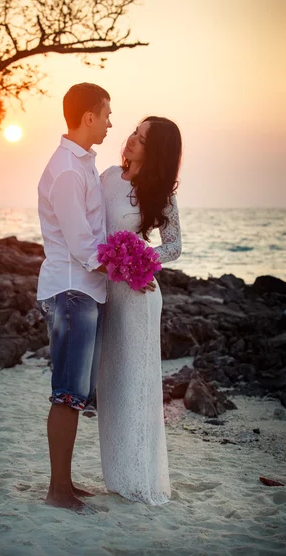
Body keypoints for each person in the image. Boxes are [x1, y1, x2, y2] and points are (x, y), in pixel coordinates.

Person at [97, 116, 182, 505]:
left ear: (156, 151)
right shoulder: (108, 177)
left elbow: (174, 246)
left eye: (142, 139)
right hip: (110, 293)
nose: (131, 139)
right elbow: (92, 231)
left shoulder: (161, 193)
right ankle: (119, 477)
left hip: (140, 296)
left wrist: (138, 258)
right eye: (134, 131)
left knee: (138, 386)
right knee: (112, 383)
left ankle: (141, 479)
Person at [36, 82, 112, 512]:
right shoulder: (66, 169)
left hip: (85, 291)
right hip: (70, 291)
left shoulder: (82, 165)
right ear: (88, 117)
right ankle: (57, 491)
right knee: (67, 392)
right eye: (106, 113)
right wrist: (126, 267)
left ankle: (65, 481)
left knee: (77, 393)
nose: (109, 122)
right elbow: (82, 245)